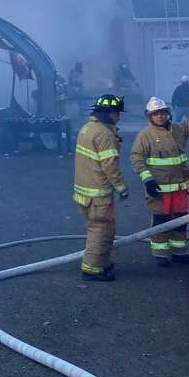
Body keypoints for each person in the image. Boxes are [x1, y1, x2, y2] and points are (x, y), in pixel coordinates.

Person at [130, 97, 189, 267]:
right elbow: (136, 157)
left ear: (167, 113)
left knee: (180, 221)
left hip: (180, 187)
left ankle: (179, 253)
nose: (159, 116)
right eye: (155, 114)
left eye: (162, 112)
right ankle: (160, 255)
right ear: (149, 116)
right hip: (159, 189)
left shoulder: (178, 130)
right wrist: (148, 180)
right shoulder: (145, 135)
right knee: (161, 221)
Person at [73, 94, 129, 282]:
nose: (119, 116)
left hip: (83, 192)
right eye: (116, 113)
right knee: (101, 230)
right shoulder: (104, 134)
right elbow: (110, 166)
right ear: (108, 113)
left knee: (96, 228)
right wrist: (121, 187)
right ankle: (92, 269)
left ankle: (102, 263)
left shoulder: (87, 128)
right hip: (98, 194)